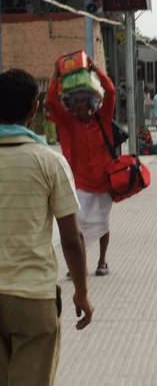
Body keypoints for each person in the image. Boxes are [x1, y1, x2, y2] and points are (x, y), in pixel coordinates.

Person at [0, 69, 93, 386]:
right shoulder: (49, 162)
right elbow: (71, 239)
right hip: (33, 298)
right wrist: (81, 292)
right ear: (33, 109)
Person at [46, 57, 116, 276]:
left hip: (104, 181)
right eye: (74, 102)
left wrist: (96, 70)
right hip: (79, 182)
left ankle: (102, 261)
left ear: (91, 102)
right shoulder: (68, 123)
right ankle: (79, 265)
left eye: (82, 101)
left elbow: (111, 92)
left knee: (103, 223)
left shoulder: (102, 119)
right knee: (79, 225)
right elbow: (51, 103)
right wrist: (56, 77)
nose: (78, 106)